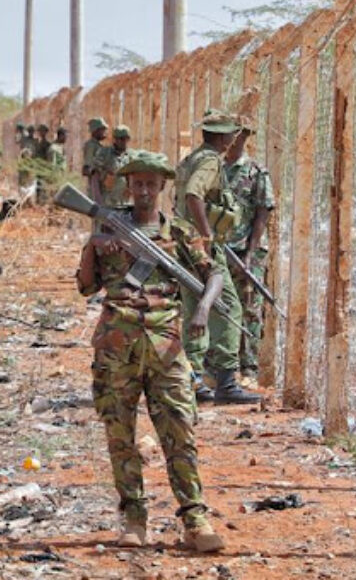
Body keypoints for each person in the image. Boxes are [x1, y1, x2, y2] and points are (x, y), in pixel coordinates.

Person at [75, 150, 226, 553]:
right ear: (128, 186)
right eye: (137, 183)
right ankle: (134, 518)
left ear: (162, 188)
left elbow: (214, 274)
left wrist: (204, 309)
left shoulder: (178, 233)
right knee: (120, 435)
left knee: (180, 431)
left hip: (166, 346)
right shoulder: (110, 226)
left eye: (151, 184)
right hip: (116, 347)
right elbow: (86, 287)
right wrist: (95, 244)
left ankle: (194, 518)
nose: (143, 191)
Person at [173, 109, 259, 405]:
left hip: (185, 240)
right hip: (201, 245)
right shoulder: (209, 161)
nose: (233, 139)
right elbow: (194, 195)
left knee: (196, 305)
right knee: (228, 308)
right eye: (231, 134)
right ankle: (225, 381)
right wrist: (207, 236)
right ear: (222, 136)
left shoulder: (191, 159)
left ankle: (193, 376)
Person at [221, 115, 275, 382]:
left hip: (245, 251)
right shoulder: (214, 169)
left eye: (242, 136)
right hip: (217, 249)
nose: (237, 141)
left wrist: (251, 252)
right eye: (233, 135)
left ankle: (248, 366)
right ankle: (219, 365)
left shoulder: (255, 172)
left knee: (249, 308)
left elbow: (263, 214)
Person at [94, 125, 132, 206]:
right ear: (115, 139)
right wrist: (97, 198)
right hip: (106, 200)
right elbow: (95, 175)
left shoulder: (130, 156)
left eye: (126, 139)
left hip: (123, 201)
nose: (124, 141)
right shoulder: (105, 153)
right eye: (121, 139)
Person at [82, 117, 109, 202]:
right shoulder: (91, 145)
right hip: (96, 188)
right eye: (102, 130)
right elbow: (89, 169)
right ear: (95, 131)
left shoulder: (98, 146)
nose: (104, 132)